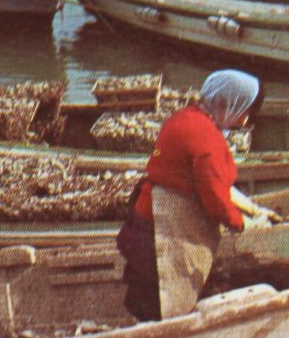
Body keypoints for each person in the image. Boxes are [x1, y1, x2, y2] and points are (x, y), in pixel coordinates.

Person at [115, 70, 279, 322]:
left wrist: (254, 209)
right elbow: (216, 201)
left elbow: (210, 180)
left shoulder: (186, 117)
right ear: (227, 103)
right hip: (161, 230)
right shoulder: (206, 139)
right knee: (161, 301)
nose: (245, 121)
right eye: (244, 111)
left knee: (144, 294)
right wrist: (245, 223)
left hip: (145, 215)